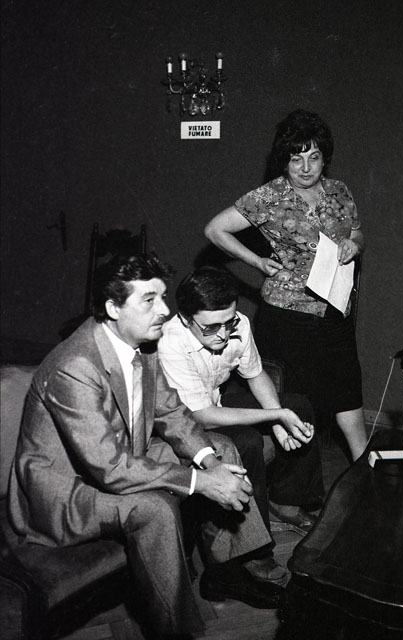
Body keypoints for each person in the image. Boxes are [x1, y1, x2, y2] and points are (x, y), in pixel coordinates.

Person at [8, 254, 284, 640]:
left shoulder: (142, 344)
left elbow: (171, 412)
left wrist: (209, 464)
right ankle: (176, 631)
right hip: (66, 493)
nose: (165, 310)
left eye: (163, 297)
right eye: (149, 300)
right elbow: (109, 468)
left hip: (120, 458)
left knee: (220, 449)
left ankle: (226, 571)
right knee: (155, 509)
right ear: (113, 308)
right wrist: (200, 482)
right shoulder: (75, 366)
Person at [204, 109, 367, 461]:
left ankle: (363, 473)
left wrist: (354, 244)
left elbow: (357, 233)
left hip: (335, 312)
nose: (306, 168)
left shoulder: (340, 191)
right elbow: (215, 229)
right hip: (289, 318)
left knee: (348, 397)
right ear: (285, 160)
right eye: (296, 159)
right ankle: (292, 488)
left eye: (314, 157)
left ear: (325, 158)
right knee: (296, 407)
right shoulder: (269, 196)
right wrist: (257, 261)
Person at [158, 266, 325, 584]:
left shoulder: (240, 325)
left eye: (229, 322)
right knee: (246, 441)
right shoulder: (170, 341)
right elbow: (201, 416)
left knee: (298, 405)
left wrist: (279, 417)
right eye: (211, 327)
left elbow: (255, 374)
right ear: (186, 319)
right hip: (181, 426)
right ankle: (253, 552)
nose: (223, 334)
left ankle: (286, 503)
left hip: (214, 404)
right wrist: (275, 417)